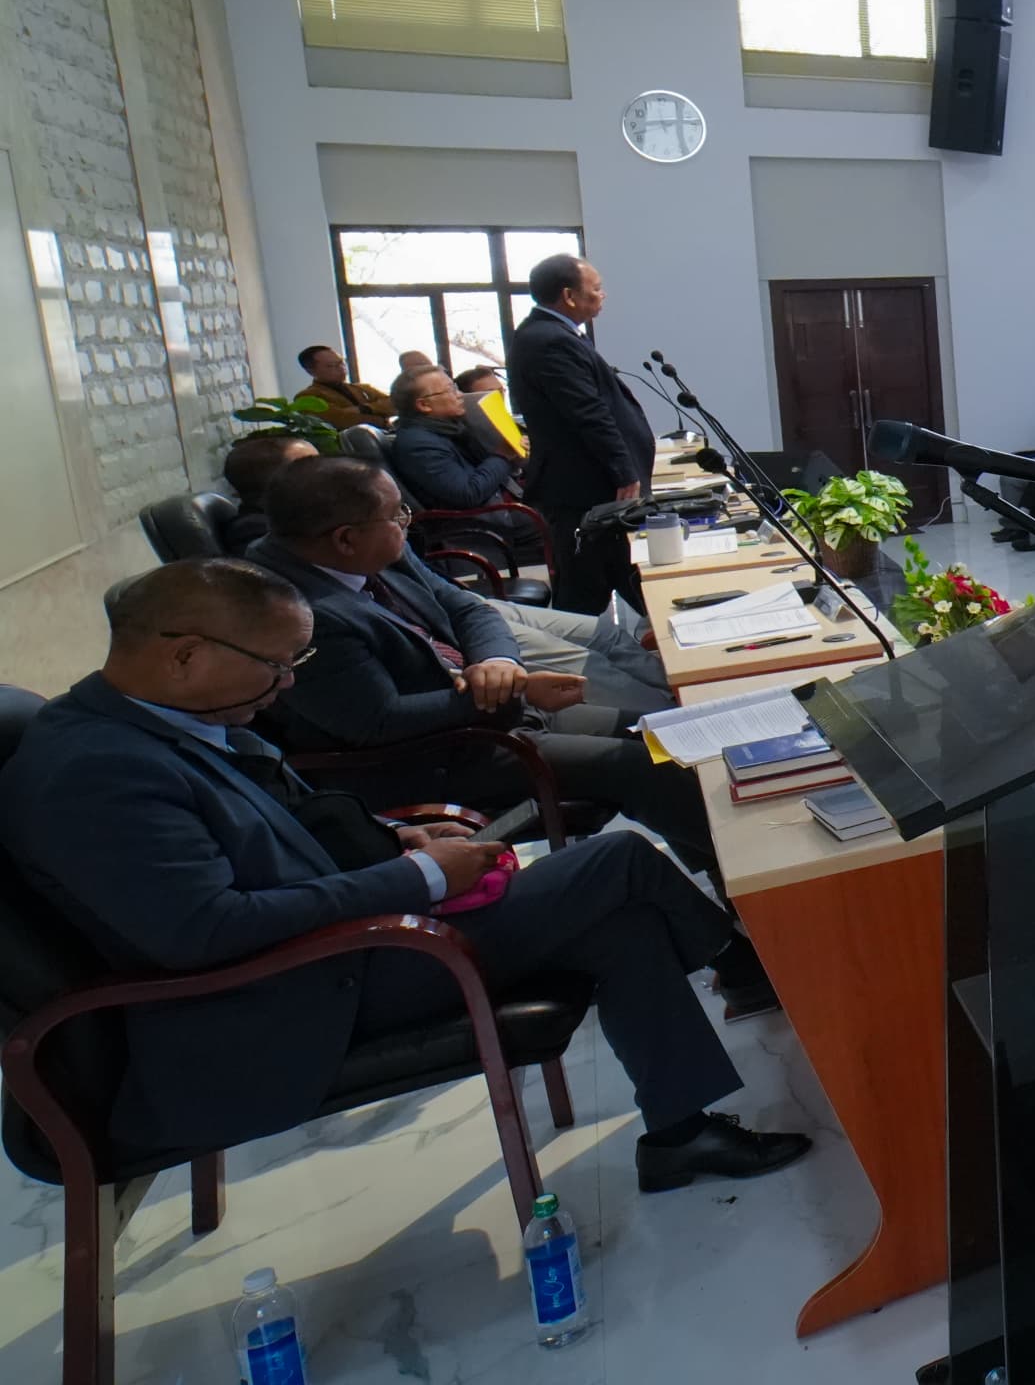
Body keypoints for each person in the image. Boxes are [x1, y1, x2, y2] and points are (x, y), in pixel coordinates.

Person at [0, 560, 812, 1188]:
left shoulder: (147, 721)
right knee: (619, 859)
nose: (287, 687)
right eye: (278, 667)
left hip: (326, 953)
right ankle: (766, 966)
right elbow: (207, 930)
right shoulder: (96, 772)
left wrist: (395, 838)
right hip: (281, 1000)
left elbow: (259, 839)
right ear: (185, 655)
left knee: (619, 917)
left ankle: (681, 1130)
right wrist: (422, 880)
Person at [238, 459, 774, 1014]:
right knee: (643, 767)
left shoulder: (373, 557)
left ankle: (744, 899)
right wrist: (496, 695)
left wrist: (496, 661)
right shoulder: (296, 611)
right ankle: (740, 947)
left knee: (662, 739)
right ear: (346, 539)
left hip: (489, 719)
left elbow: (466, 606)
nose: (409, 520)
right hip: (444, 755)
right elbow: (377, 722)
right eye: (395, 514)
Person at [504, 254, 654, 613]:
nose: (603, 295)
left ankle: (648, 647)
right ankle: (582, 661)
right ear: (569, 296)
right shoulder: (550, 340)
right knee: (585, 587)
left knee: (619, 572)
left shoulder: (555, 334)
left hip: (588, 483)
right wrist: (623, 469)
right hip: (583, 486)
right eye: (597, 289)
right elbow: (586, 412)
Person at [384, 366, 521, 514]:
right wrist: (502, 456)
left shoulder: (450, 428)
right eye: (451, 390)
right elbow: (468, 494)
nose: (460, 395)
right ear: (424, 405)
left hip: (501, 503)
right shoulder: (418, 445)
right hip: (482, 522)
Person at [292, 344, 394, 431]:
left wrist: (365, 409)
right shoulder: (307, 397)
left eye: (341, 363)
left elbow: (396, 403)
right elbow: (341, 421)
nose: (341, 368)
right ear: (310, 371)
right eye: (331, 365)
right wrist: (381, 419)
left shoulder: (363, 388)